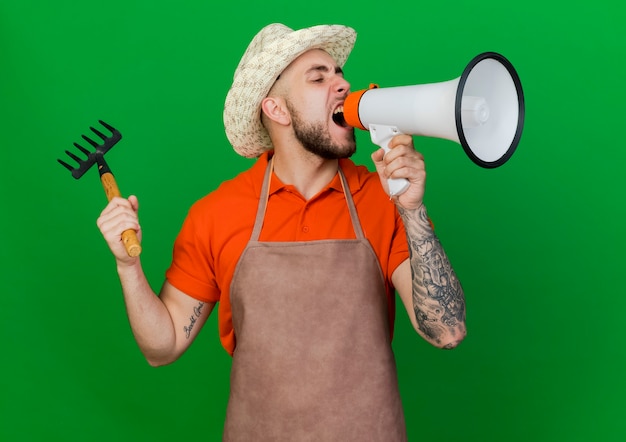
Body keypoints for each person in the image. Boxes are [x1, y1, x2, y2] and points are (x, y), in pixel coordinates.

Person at [97, 23, 466, 441]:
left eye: (339, 72)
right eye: (319, 77)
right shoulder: (216, 214)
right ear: (276, 109)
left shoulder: (383, 200)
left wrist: (412, 210)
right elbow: (161, 349)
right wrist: (128, 267)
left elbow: (447, 331)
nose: (343, 84)